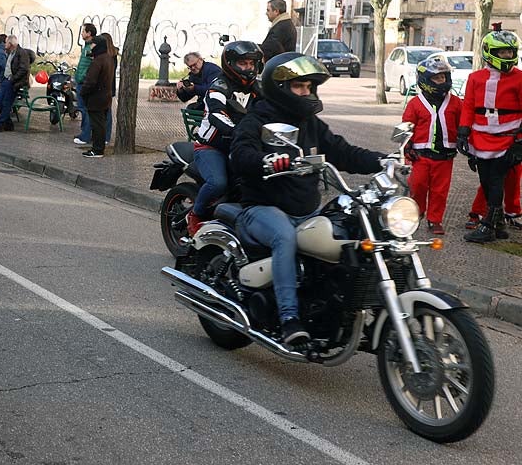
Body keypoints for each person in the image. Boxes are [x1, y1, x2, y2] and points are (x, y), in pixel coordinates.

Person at [230, 53, 385, 345]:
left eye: (310, 87)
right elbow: (240, 154)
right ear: (280, 87)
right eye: (300, 87)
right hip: (262, 208)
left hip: (306, 211)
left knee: (348, 233)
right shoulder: (258, 118)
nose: (307, 93)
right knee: (285, 237)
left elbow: (343, 152)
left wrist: (383, 160)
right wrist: (267, 160)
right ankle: (290, 319)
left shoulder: (311, 123)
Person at [188, 41, 263, 233]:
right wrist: (237, 132)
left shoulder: (257, 87)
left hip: (240, 146)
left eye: (252, 64)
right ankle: (195, 215)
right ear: (231, 64)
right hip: (211, 146)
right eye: (243, 64)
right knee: (218, 183)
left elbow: (274, 107)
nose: (249, 68)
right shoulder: (219, 85)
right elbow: (216, 113)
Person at [459, 30, 522, 243]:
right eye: (501, 52)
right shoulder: (475, 78)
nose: (506, 56)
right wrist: (463, 131)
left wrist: (519, 143)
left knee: (495, 181)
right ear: (489, 52)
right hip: (480, 139)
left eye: (509, 52)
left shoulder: (520, 79)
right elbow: (468, 106)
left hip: (507, 139)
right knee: (485, 181)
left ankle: (487, 226)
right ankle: (499, 224)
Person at [401, 57, 462, 236]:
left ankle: (435, 220)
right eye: (437, 78)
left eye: (444, 77)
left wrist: (466, 138)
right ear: (425, 80)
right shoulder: (415, 103)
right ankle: (417, 212)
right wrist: (407, 145)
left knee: (440, 190)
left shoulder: (456, 102)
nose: (441, 81)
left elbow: (463, 123)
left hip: (445, 157)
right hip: (420, 155)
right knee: (417, 185)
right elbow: (406, 126)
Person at [79, 35, 117, 157]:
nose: (91, 46)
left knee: (97, 124)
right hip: (105, 95)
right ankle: (99, 147)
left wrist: (83, 92)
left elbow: (91, 81)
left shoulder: (98, 61)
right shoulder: (108, 58)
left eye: (93, 44)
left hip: (96, 97)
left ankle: (97, 149)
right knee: (100, 123)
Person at [0, 35, 33, 133]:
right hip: (6, 80)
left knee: (6, 102)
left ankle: (0, 124)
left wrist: (13, 79)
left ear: (10, 44)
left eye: (6, 42)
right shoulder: (10, 52)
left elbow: (24, 69)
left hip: (13, 82)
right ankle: (7, 122)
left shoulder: (21, 53)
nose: (4, 44)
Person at [72, 23, 97, 146]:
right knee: (83, 109)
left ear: (89, 33)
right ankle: (84, 133)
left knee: (85, 109)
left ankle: (85, 136)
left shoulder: (92, 47)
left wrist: (82, 77)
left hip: (84, 83)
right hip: (81, 81)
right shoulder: (86, 47)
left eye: (83, 31)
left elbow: (91, 66)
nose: (81, 34)